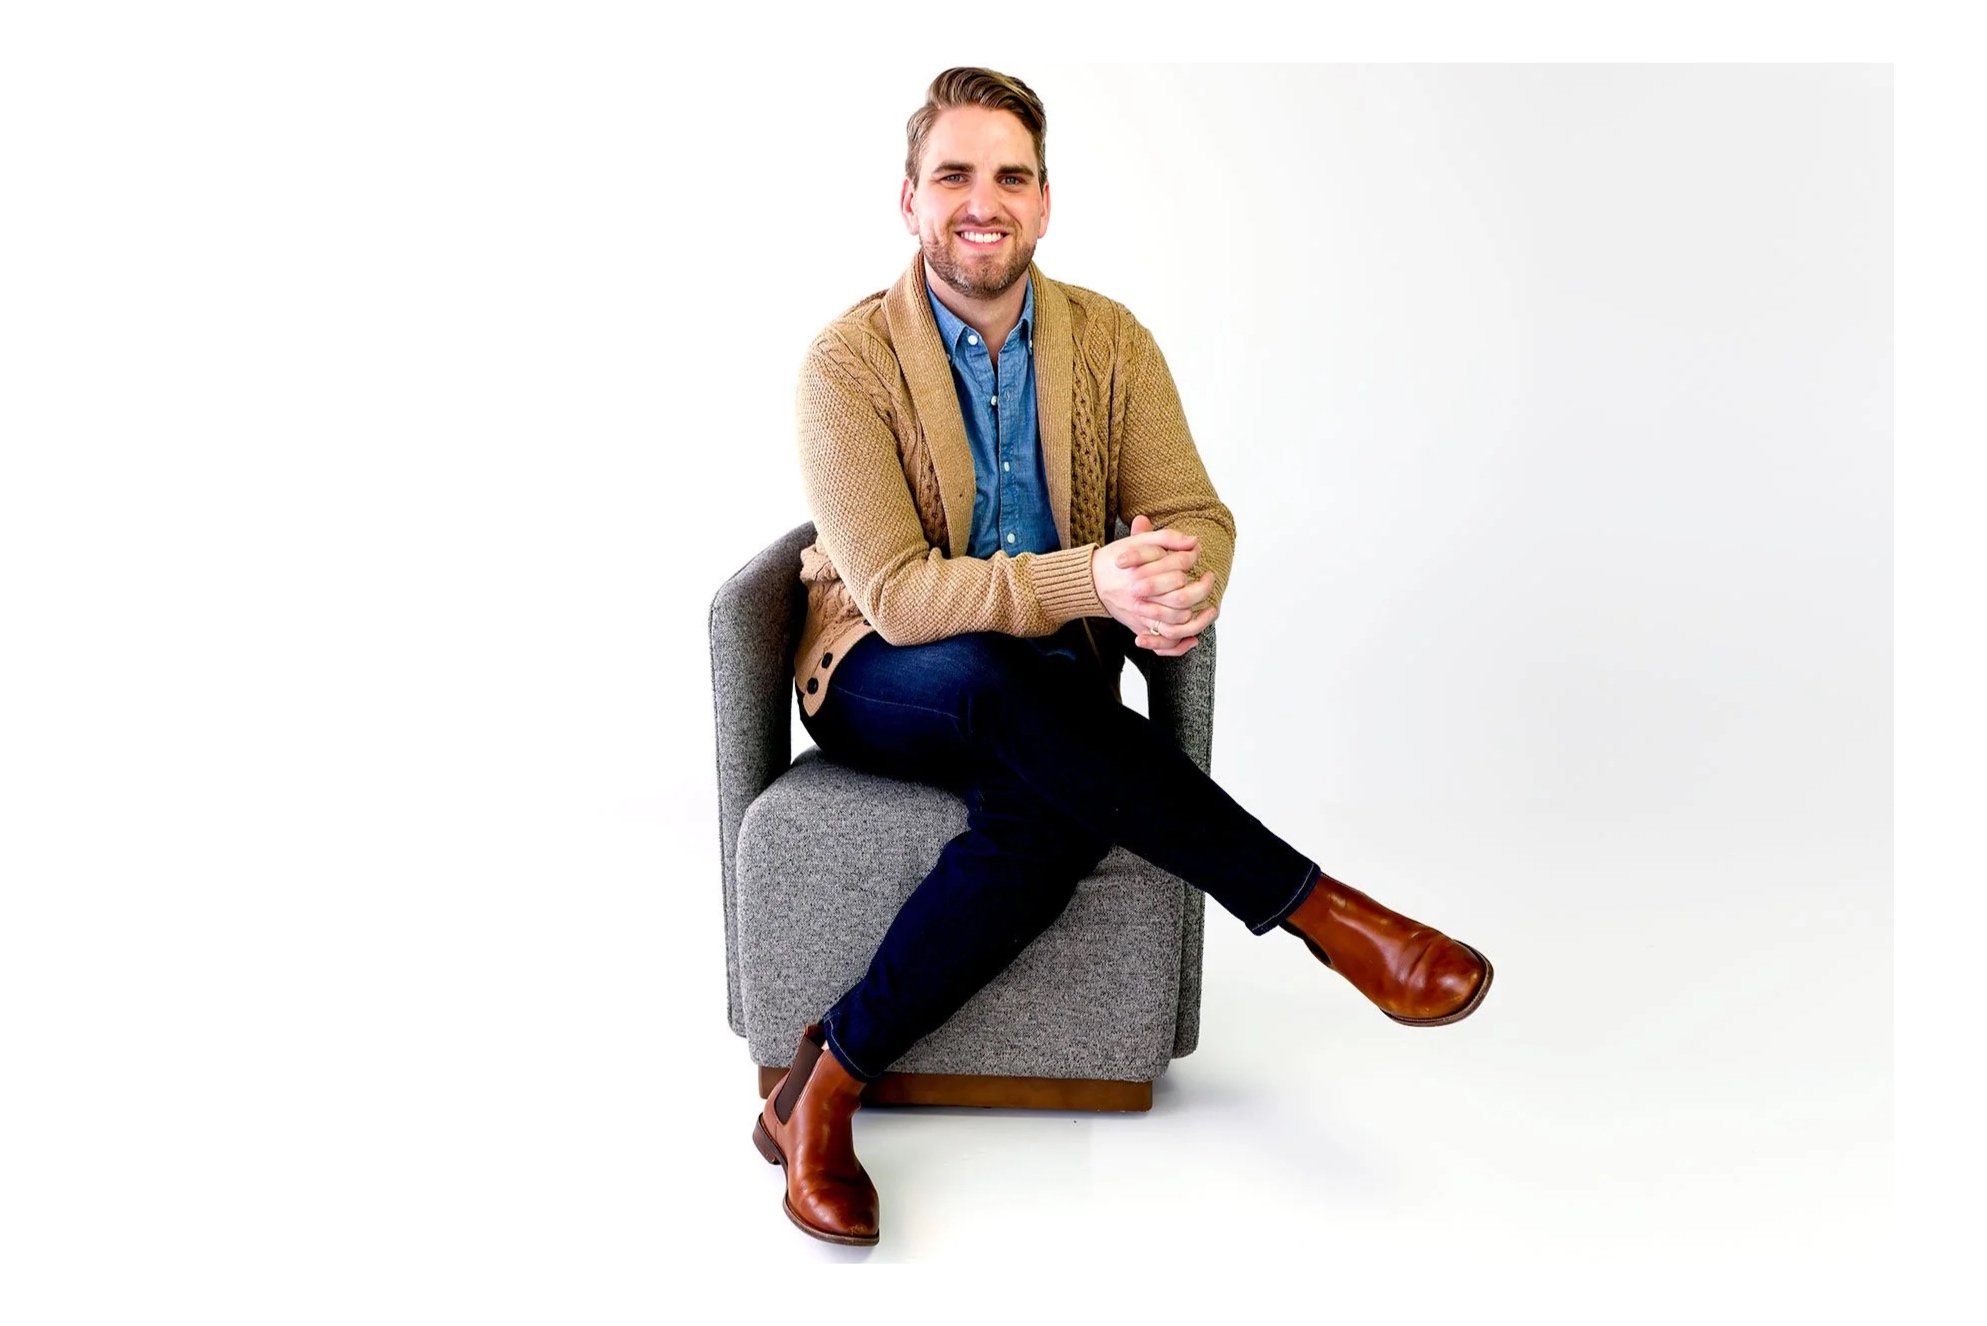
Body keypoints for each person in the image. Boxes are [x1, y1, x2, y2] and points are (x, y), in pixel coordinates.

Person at [754, 67, 1494, 1247]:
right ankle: (1321, 911)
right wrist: (1089, 580)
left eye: (1010, 177)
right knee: (997, 681)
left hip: (1051, 691)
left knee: (1044, 808)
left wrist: (1174, 586)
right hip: (882, 670)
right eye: (953, 175)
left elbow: (1192, 513)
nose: (981, 202)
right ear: (909, 200)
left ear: (1045, 203)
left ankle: (825, 1084)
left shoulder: (1109, 342)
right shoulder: (846, 363)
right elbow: (895, 593)